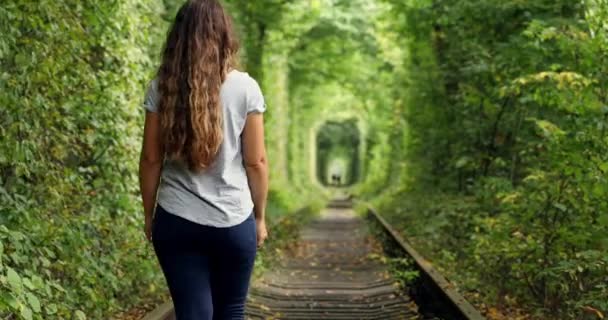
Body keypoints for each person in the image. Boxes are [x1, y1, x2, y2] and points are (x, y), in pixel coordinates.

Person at [138, 0, 269, 319]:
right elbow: (256, 162)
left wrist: (149, 214)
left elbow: (151, 158)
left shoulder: (163, 87)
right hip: (234, 221)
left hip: (177, 218)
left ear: (178, 37)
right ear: (224, 35)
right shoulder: (246, 88)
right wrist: (260, 217)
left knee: (192, 312)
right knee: (231, 310)